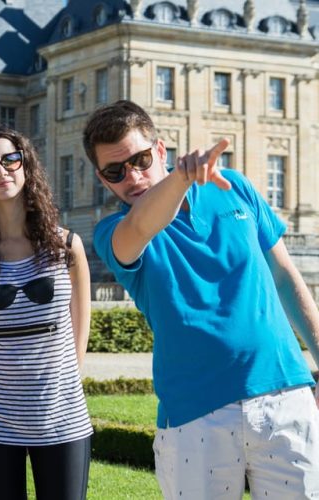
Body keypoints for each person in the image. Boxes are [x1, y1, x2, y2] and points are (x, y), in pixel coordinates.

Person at [83, 100, 319, 498]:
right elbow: (142, 224)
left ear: (160, 150)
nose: (133, 176)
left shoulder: (235, 188)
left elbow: (285, 277)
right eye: (115, 171)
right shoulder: (112, 232)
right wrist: (180, 179)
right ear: (101, 178)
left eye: (141, 159)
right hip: (195, 415)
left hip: (284, 393)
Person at [0, 126, 93, 500]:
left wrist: (61, 386)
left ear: (26, 165)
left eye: (10, 160)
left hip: (61, 413)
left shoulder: (67, 246)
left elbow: (80, 331)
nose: (1, 171)